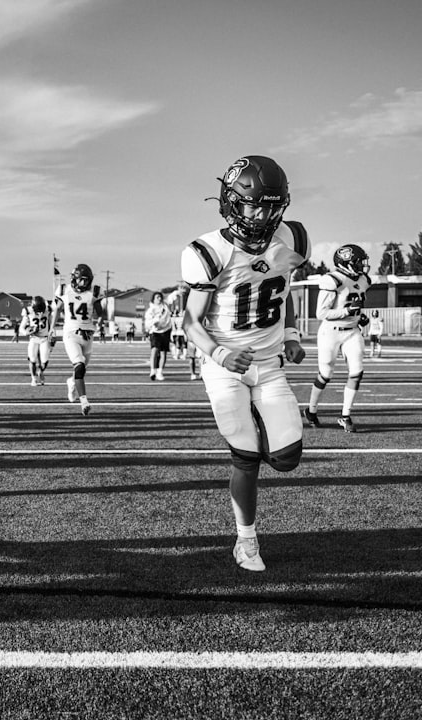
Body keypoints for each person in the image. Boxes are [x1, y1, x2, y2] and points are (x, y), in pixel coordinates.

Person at [181, 154, 309, 572]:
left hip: (269, 363)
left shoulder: (293, 237)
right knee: (245, 456)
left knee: (287, 457)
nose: (262, 215)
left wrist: (290, 335)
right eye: (254, 205)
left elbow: (283, 289)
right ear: (231, 201)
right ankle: (246, 541)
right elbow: (190, 321)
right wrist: (220, 353)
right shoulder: (207, 251)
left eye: (272, 206)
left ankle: (259, 427)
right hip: (224, 365)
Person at [305, 244, 371, 432]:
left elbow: (356, 302)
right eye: (358, 262)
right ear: (347, 263)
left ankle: (345, 415)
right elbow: (321, 313)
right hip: (331, 331)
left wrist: (359, 316)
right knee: (326, 374)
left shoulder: (364, 279)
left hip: (352, 331)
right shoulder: (332, 280)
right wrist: (347, 311)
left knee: (357, 372)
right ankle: (311, 410)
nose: (363, 266)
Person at [52, 264, 101, 413]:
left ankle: (72, 383)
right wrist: (52, 328)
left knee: (82, 369)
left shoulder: (94, 292)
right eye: (82, 280)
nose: (85, 284)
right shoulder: (63, 290)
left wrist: (100, 320)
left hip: (87, 335)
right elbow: (57, 309)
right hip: (70, 333)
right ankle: (84, 402)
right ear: (74, 278)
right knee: (79, 366)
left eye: (87, 281)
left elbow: (100, 312)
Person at [20, 295, 52, 386]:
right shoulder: (28, 311)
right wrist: (28, 332)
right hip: (33, 338)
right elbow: (21, 328)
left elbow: (51, 323)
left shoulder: (48, 309)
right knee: (32, 359)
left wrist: (53, 333)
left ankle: (41, 371)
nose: (40, 313)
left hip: (44, 338)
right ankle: (33, 378)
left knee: (45, 361)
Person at [144, 291, 172, 380]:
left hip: (165, 331)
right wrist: (154, 322)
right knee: (154, 350)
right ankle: (153, 370)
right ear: (153, 299)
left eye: (160, 297)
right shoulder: (151, 310)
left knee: (163, 352)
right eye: (157, 297)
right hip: (155, 332)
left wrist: (177, 292)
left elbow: (171, 298)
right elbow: (147, 323)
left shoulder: (165, 307)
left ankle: (160, 372)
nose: (159, 299)